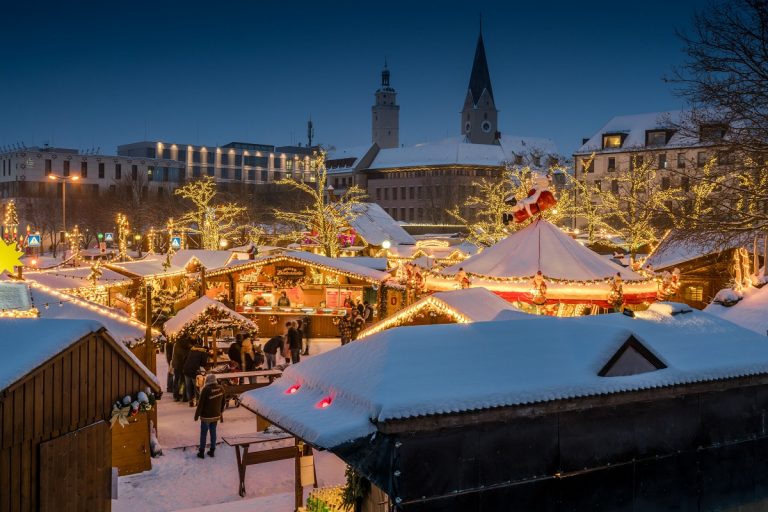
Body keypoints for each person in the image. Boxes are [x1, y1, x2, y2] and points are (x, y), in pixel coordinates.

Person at [194, 373, 224, 459]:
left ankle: (201, 452)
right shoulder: (221, 388)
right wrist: (220, 411)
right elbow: (223, 402)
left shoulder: (206, 389)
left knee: (203, 434)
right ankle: (212, 450)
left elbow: (200, 404)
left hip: (206, 416)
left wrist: (196, 415)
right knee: (213, 432)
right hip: (215, 415)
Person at [183, 340, 209, 407]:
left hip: (186, 369)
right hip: (194, 370)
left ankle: (190, 401)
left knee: (188, 386)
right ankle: (198, 401)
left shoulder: (192, 349)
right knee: (197, 386)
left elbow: (186, 358)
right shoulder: (203, 352)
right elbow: (203, 363)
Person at [171, 336, 191, 401]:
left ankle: (178, 395)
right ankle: (179, 395)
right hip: (180, 365)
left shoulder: (178, 343)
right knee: (181, 380)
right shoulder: (182, 344)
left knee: (179, 380)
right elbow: (183, 354)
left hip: (178, 365)